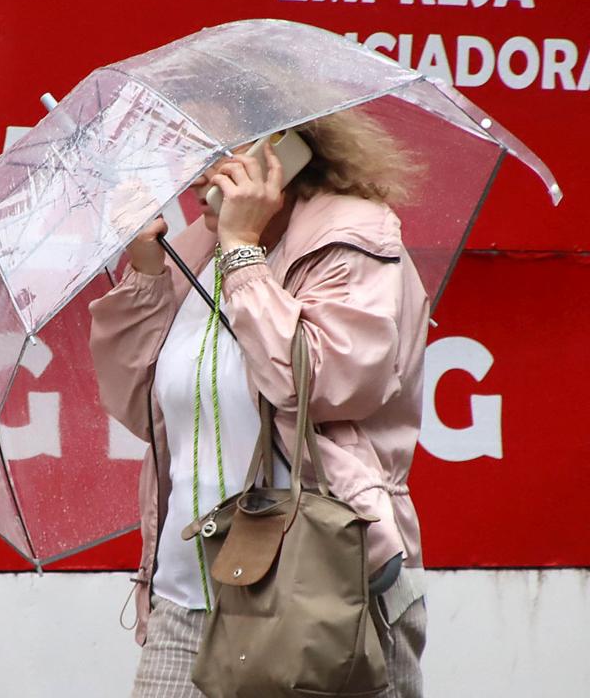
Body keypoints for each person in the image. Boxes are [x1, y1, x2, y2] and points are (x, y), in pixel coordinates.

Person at [88, 108, 429, 698]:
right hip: (188, 596)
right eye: (190, 154)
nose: (195, 176)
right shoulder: (197, 248)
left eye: (217, 152)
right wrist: (146, 274)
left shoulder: (355, 236)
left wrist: (244, 251)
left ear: (287, 147)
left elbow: (318, 385)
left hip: (319, 589)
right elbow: (138, 403)